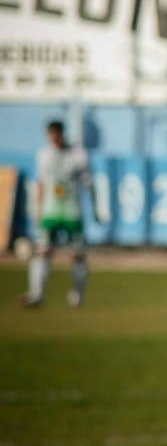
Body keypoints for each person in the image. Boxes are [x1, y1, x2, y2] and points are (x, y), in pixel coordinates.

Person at [19, 120, 92, 309]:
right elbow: (41, 183)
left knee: (78, 255)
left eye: (56, 134)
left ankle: (77, 296)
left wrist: (96, 206)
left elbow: (88, 183)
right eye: (50, 135)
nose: (54, 138)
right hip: (50, 212)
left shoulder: (78, 155)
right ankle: (37, 295)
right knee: (42, 252)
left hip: (72, 212)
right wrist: (38, 208)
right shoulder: (44, 155)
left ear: (61, 133)